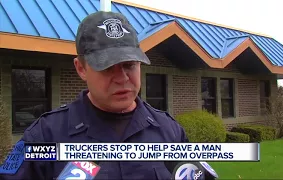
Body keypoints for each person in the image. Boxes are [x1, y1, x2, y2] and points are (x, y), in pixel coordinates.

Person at [0, 11, 189, 179]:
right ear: (81, 68)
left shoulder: (170, 131)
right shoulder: (44, 136)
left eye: (129, 64)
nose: (122, 78)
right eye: (107, 67)